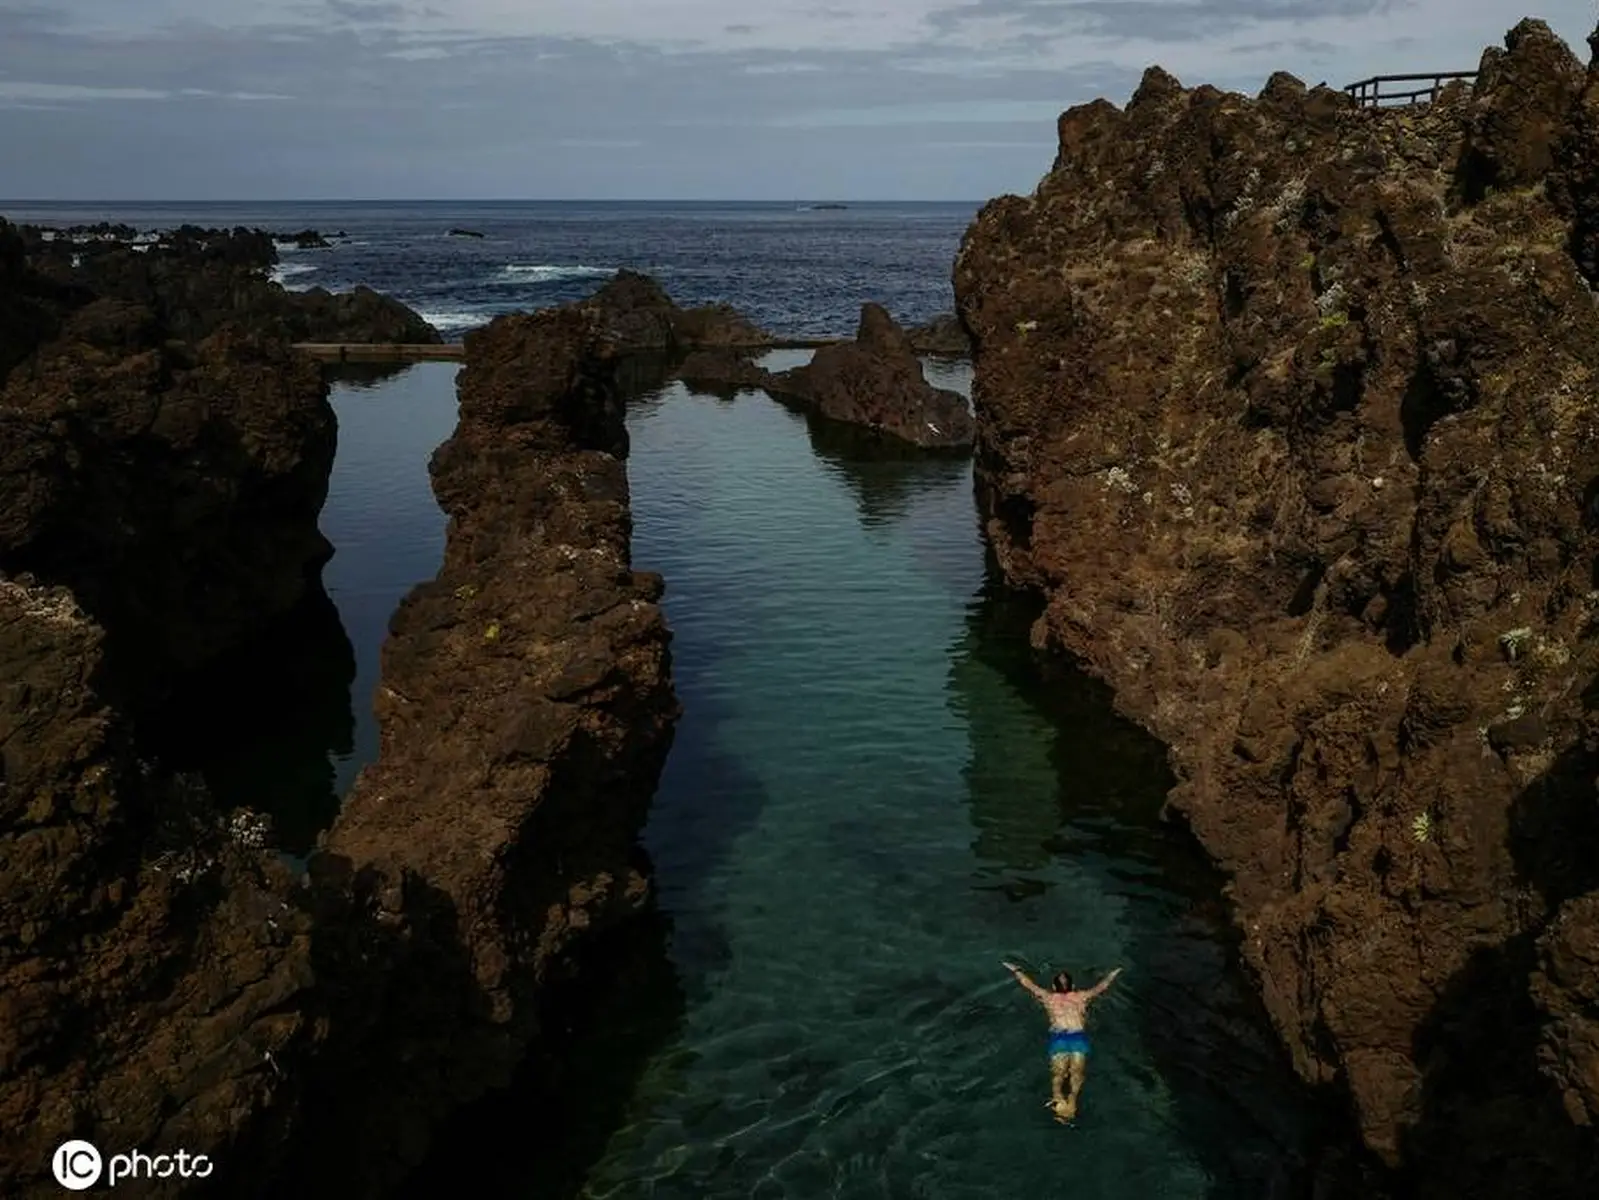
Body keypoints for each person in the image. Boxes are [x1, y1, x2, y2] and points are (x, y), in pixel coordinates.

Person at [1002, 960, 1123, 1123]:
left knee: (1058, 1074)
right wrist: (1113, 973)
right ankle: (1072, 1100)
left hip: (1059, 1038)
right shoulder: (1081, 996)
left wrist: (1015, 969)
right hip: (1078, 1037)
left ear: (1053, 987)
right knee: (1076, 1073)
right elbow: (1101, 987)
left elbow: (1028, 984)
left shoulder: (1048, 998)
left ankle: (1057, 1096)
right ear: (1072, 987)